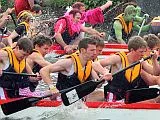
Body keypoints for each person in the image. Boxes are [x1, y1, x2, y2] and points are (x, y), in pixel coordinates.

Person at [40, 37, 112, 100]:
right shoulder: (68, 63)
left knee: (101, 94)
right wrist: (52, 87)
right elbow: (44, 70)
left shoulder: (88, 65)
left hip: (76, 98)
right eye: (92, 50)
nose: (95, 53)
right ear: (83, 50)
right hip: (62, 98)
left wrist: (103, 79)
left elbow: (98, 85)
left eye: (95, 50)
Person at [92, 36, 158, 102]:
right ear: (132, 50)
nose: (143, 54)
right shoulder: (118, 58)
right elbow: (95, 64)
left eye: (144, 51)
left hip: (129, 98)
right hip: (114, 96)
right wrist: (105, 72)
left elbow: (155, 72)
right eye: (141, 52)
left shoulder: (142, 62)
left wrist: (154, 60)